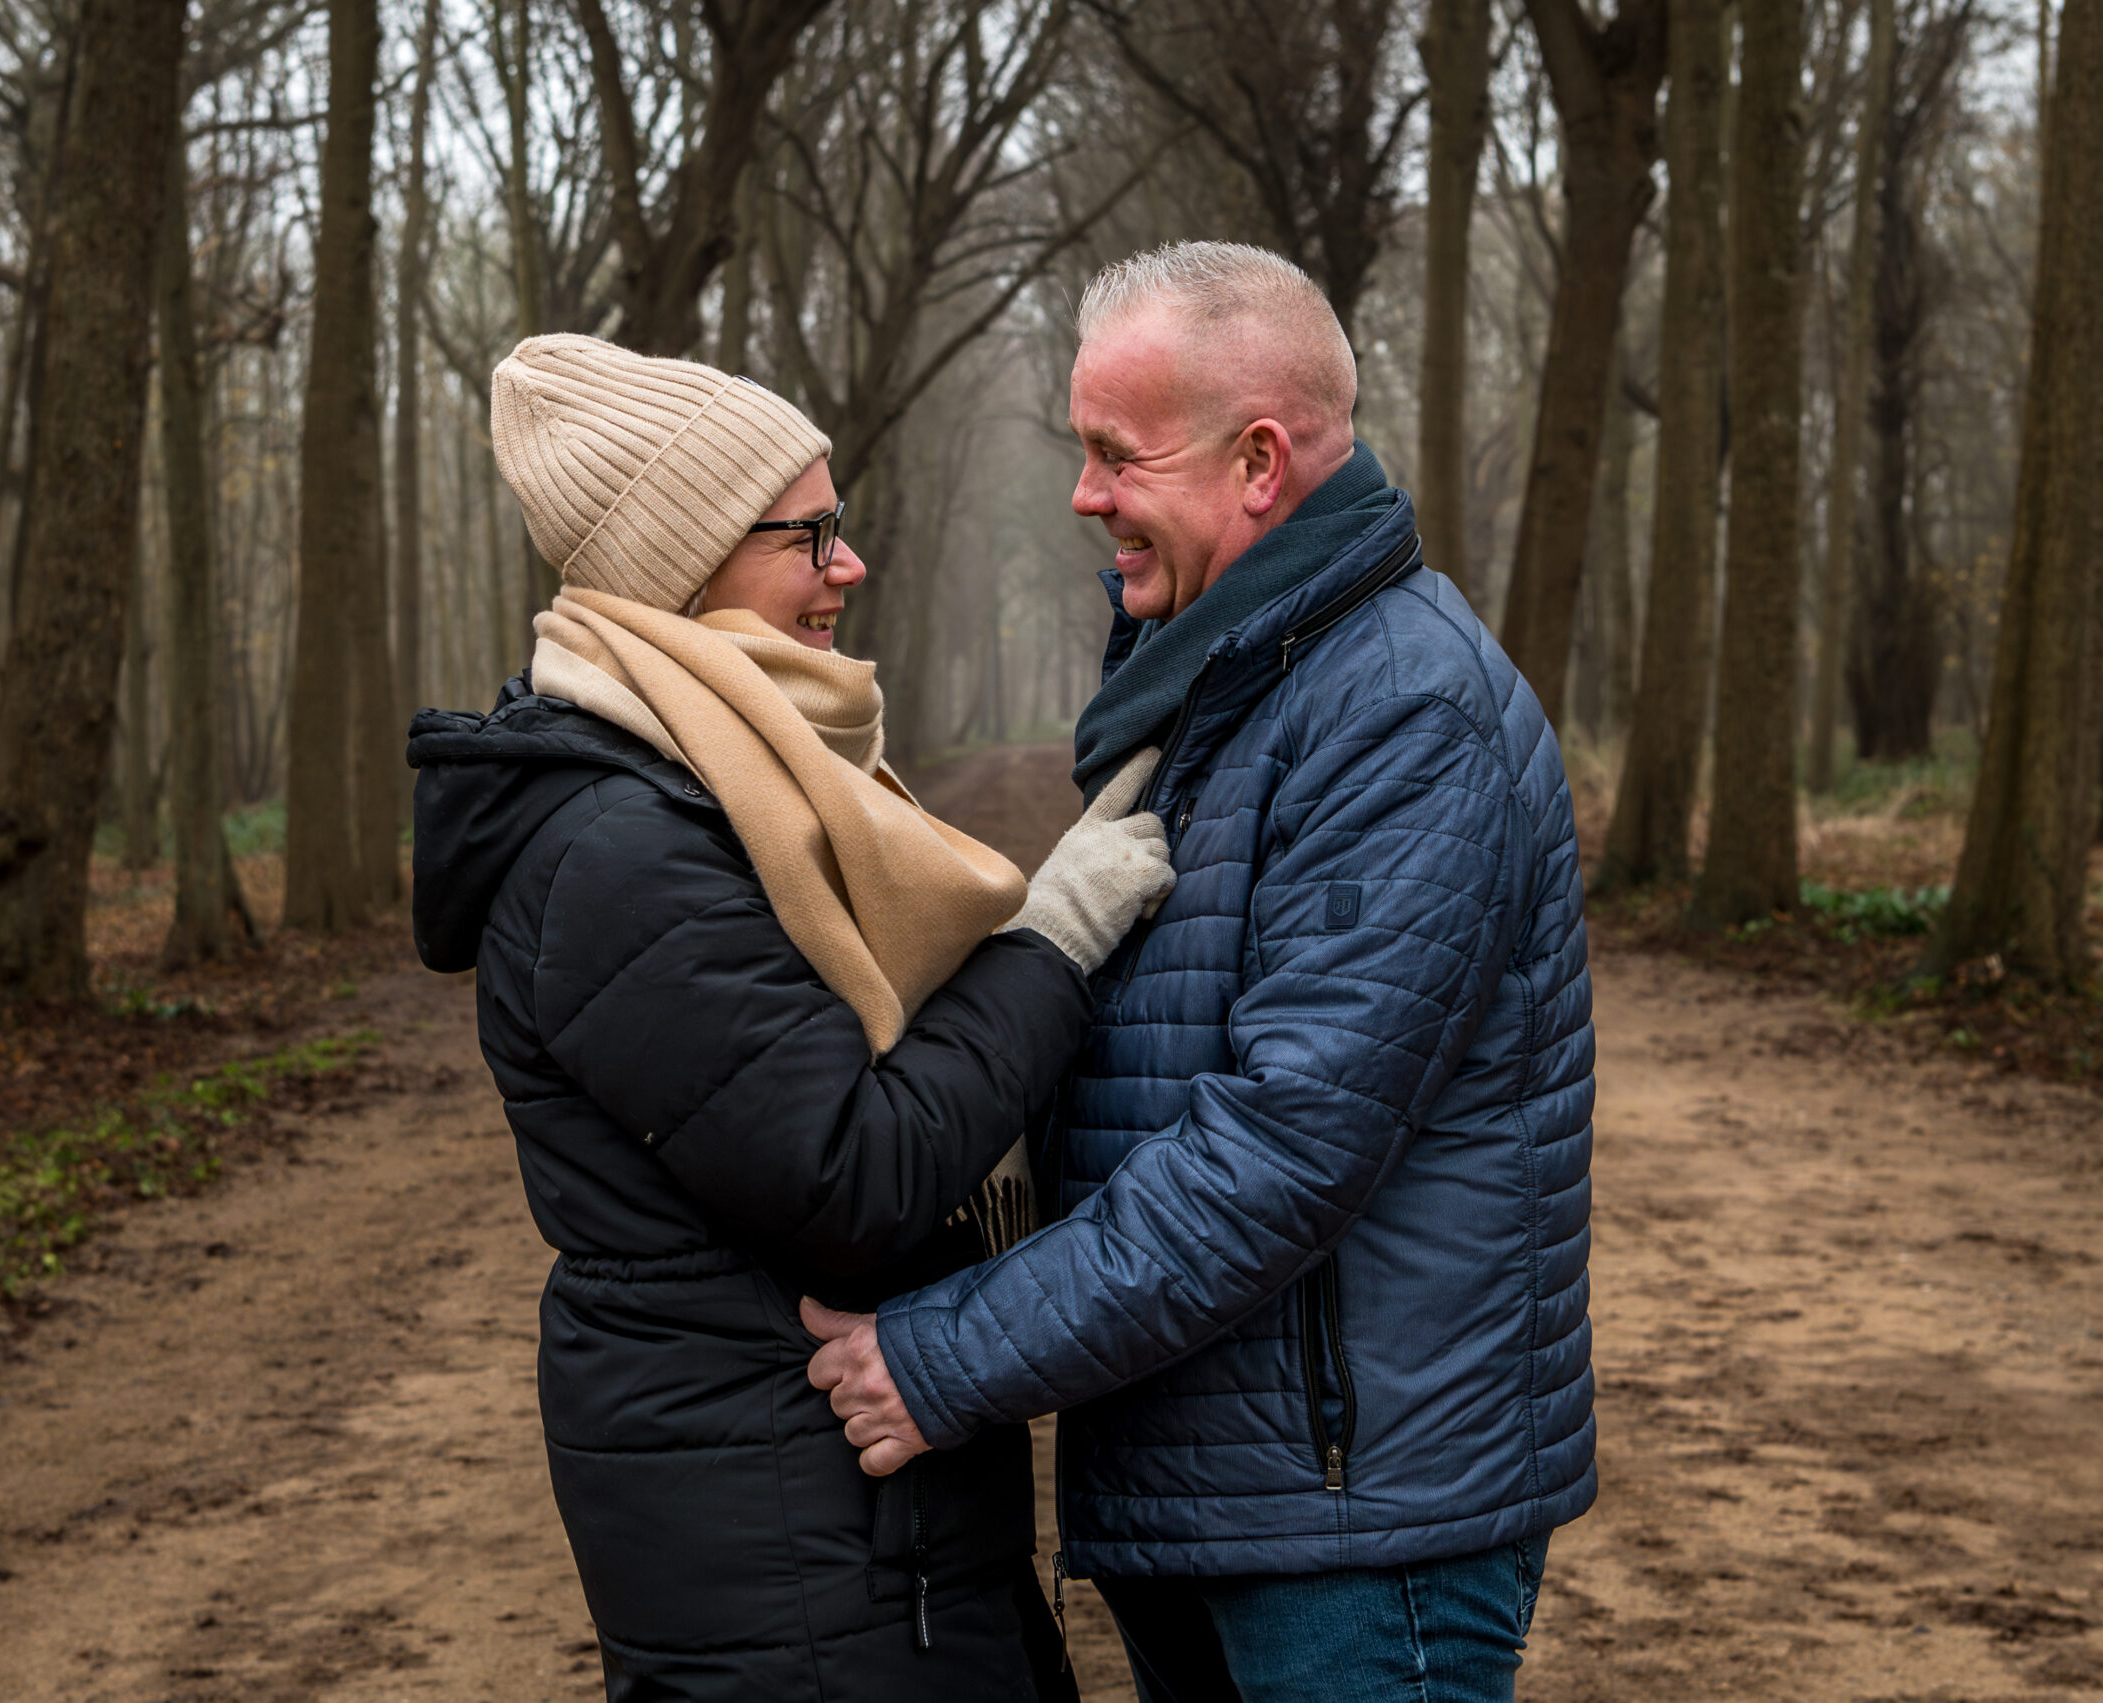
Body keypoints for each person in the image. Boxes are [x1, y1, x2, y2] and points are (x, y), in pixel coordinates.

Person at [804, 242, 1597, 1703]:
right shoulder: (1223, 682)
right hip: (1223, 1487)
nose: (1084, 493)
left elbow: (1280, 1146)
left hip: (1354, 1530)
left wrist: (950, 1355)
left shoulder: (1401, 711)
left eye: (1119, 454)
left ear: (1258, 463)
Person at [407, 333, 1177, 1701]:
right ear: (687, 558)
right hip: (791, 1551)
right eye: (808, 535)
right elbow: (855, 1175)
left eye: (843, 524)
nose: (849, 565)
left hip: (857, 1529)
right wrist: (1051, 944)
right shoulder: (619, 854)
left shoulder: (727, 792)